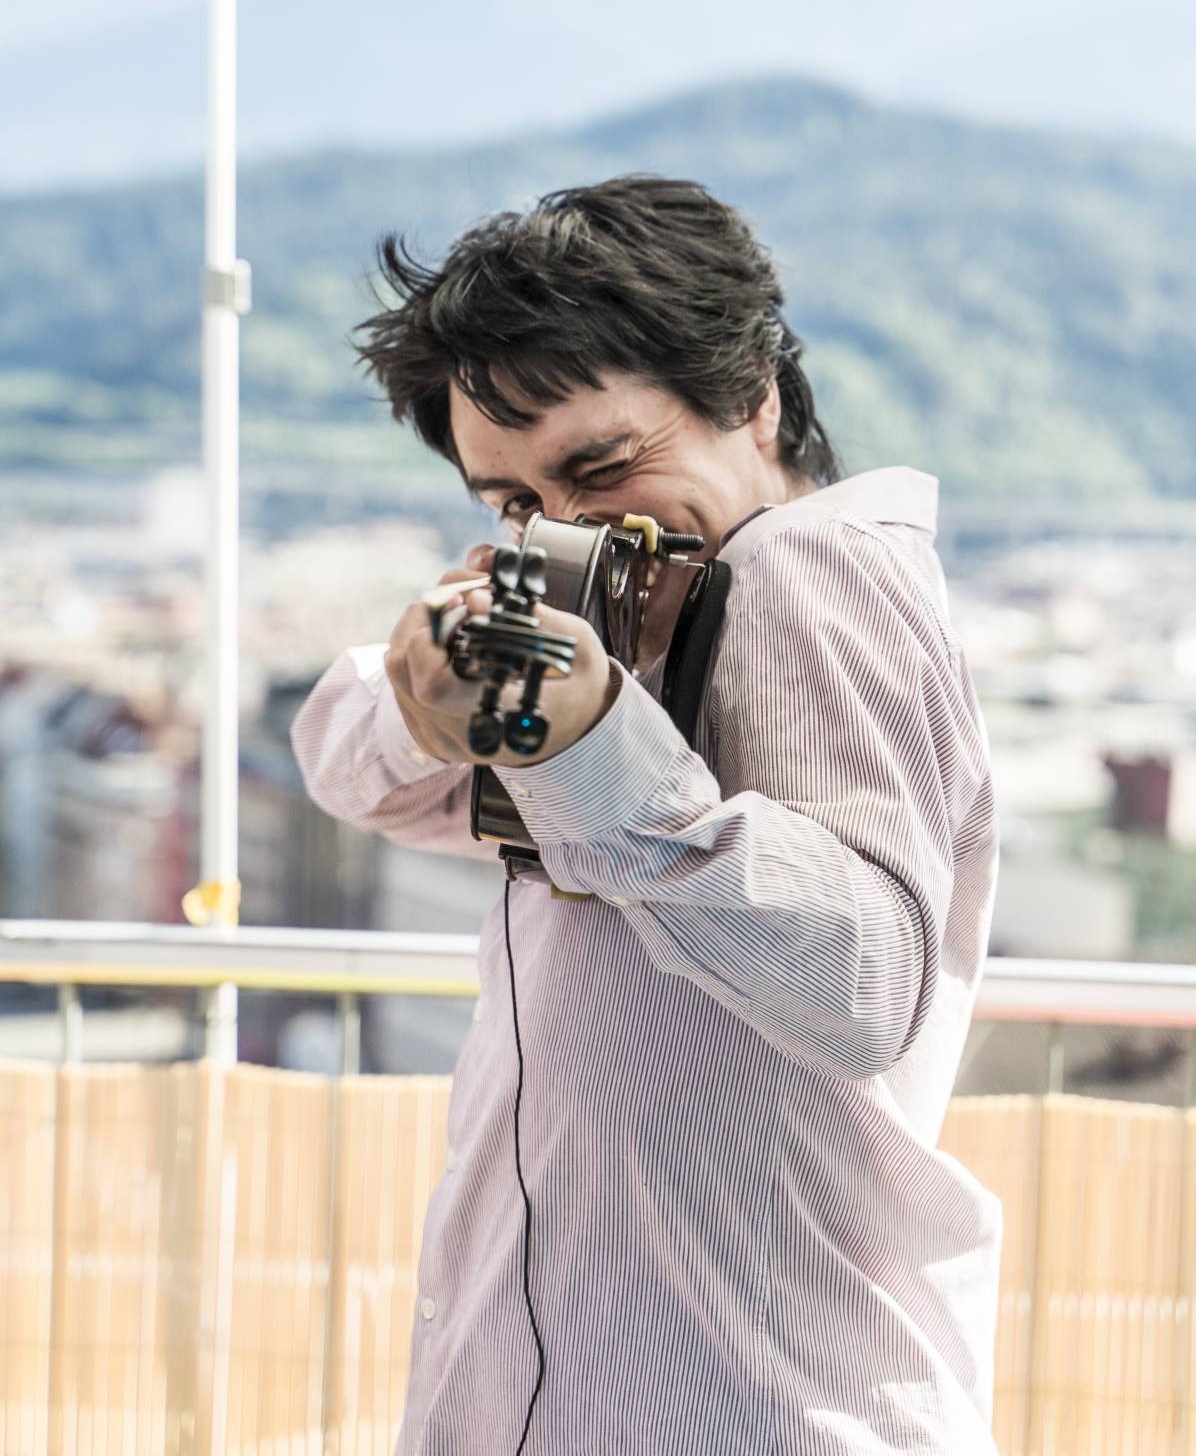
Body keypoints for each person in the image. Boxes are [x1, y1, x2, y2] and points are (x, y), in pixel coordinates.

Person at [290, 174, 1002, 1456]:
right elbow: (351, 770)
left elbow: (862, 980)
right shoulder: (632, 619)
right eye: (511, 501)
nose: (564, 528)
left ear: (752, 396)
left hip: (746, 1405)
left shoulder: (804, 566)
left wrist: (598, 743)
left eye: (603, 466)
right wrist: (464, 667)